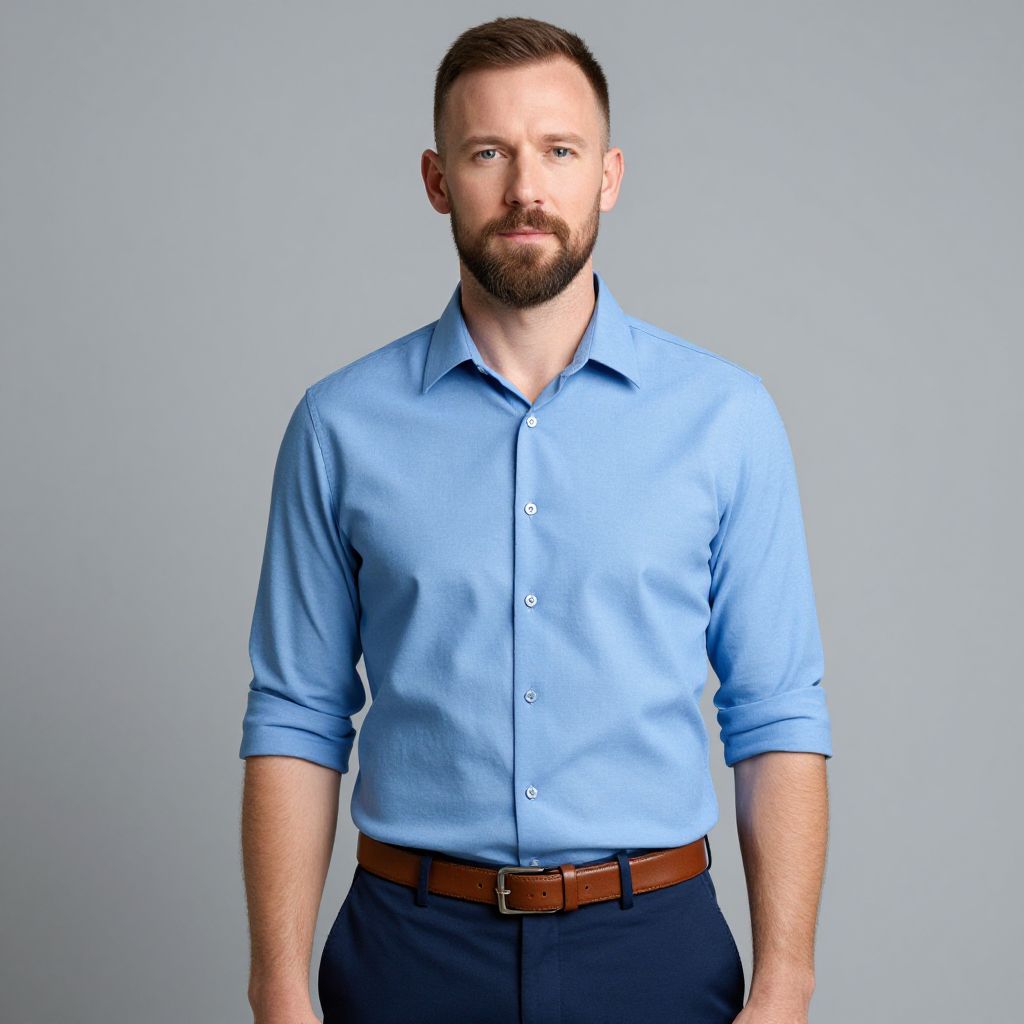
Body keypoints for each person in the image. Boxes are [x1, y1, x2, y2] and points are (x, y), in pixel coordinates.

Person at [238, 15, 832, 1024]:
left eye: (558, 151)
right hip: (406, 955)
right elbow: (296, 717)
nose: (525, 187)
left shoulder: (726, 418)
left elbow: (774, 713)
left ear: (607, 174)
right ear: (436, 180)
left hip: (655, 952)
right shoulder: (338, 425)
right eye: (487, 153)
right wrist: (279, 988)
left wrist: (785, 980)